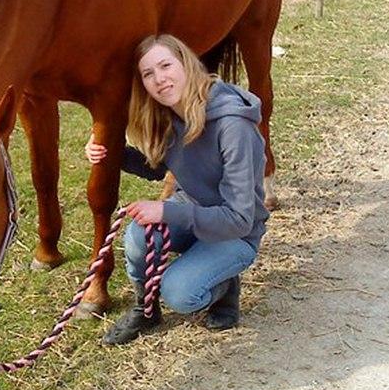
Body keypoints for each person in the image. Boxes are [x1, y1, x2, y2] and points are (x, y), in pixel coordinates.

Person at [85, 34, 269, 346]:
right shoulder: (173, 113)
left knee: (180, 294)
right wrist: (110, 151)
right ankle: (145, 310)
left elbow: (239, 218)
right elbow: (157, 165)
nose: (159, 79)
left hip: (235, 232)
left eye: (165, 65)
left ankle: (225, 287)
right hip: (194, 213)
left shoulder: (233, 126)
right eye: (148, 74)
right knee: (137, 236)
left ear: (186, 63)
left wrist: (166, 210)